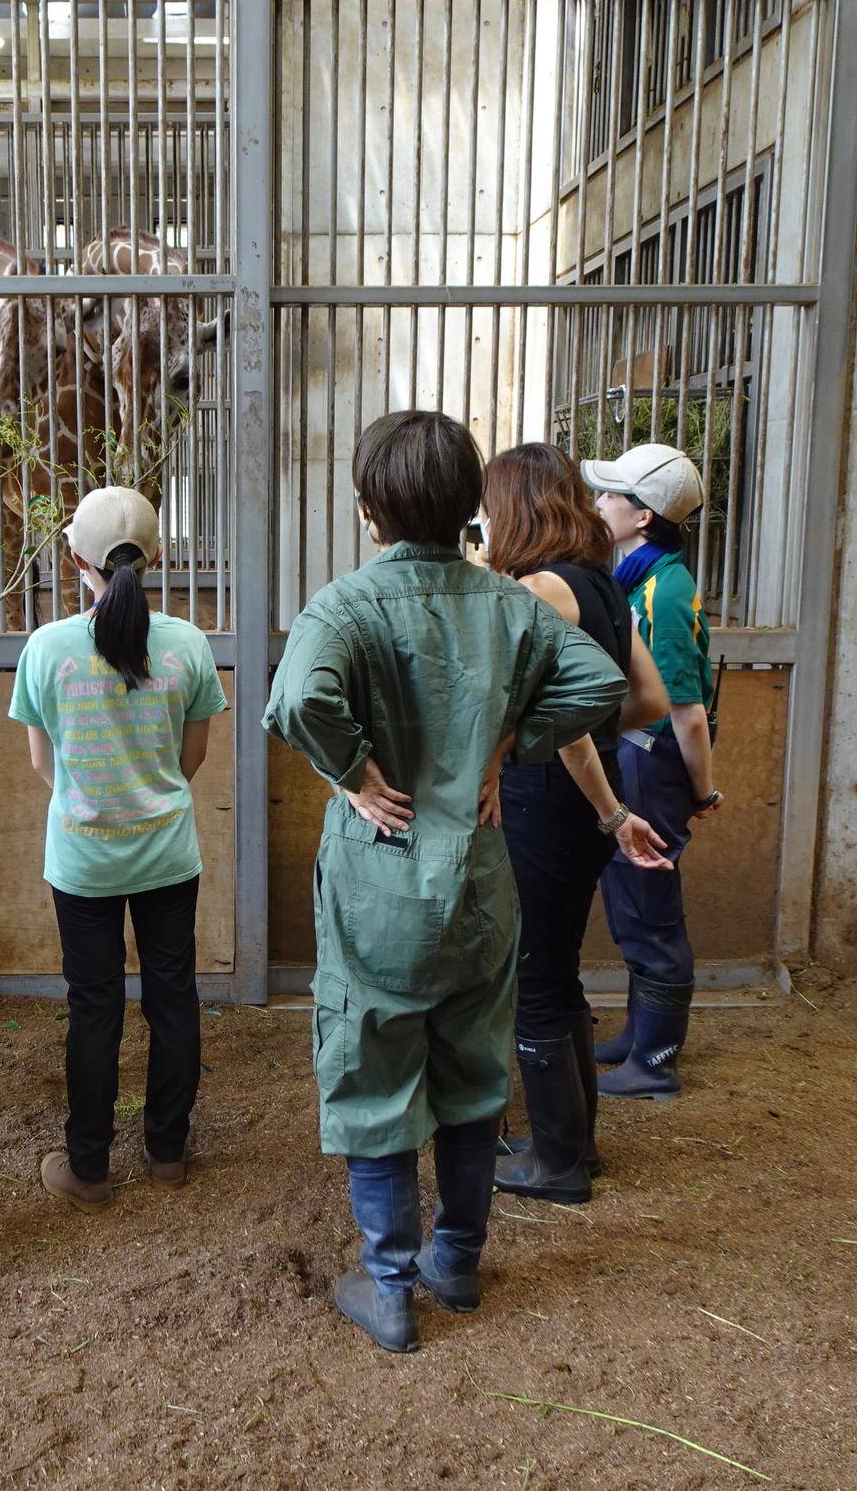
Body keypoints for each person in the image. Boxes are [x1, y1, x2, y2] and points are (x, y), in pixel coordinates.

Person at [263, 410, 627, 1354]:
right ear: (469, 504)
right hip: (478, 877)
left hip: (377, 883)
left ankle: (389, 1288)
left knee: (373, 1068)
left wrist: (352, 772)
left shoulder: (341, 606)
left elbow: (299, 700)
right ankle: (455, 1261)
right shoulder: (509, 603)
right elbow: (600, 685)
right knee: (473, 1075)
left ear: (369, 511)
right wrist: (511, 742)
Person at [9, 486, 227, 1211]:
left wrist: (94, 797)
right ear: (158, 556)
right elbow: (190, 759)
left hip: (82, 860)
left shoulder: (46, 648)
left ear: (74, 558)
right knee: (174, 999)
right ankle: (167, 1152)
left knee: (93, 1008)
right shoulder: (189, 644)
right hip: (167, 853)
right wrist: (147, 794)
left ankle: (89, 1166)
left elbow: (46, 766)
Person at [478, 444, 672, 1204]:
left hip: (541, 804)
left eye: (494, 505)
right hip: (583, 803)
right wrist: (609, 801)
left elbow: (536, 715)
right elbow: (648, 700)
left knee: (533, 977)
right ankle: (574, 1144)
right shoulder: (601, 585)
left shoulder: (535, 592)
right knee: (556, 972)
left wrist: (517, 753)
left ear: (515, 508)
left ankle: (555, 1163)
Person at [582, 443, 721, 1101]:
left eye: (611, 496)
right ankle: (640, 1036)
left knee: (652, 911)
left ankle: (656, 1059)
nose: (599, 503)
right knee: (633, 907)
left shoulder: (663, 591)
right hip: (636, 757)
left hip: (650, 759)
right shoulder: (640, 578)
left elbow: (687, 713)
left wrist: (702, 789)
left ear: (643, 516)